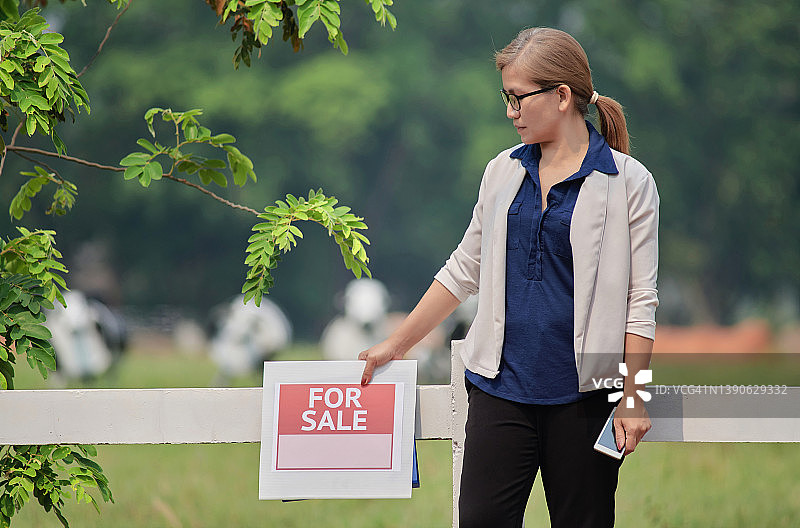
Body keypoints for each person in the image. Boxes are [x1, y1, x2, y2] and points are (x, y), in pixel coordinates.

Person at [359, 26, 658, 528]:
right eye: (506, 98)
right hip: (501, 391)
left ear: (562, 96)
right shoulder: (502, 171)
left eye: (518, 98)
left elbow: (641, 300)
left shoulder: (630, 183)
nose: (509, 112)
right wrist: (398, 342)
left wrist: (633, 397)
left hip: (587, 400)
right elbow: (463, 269)